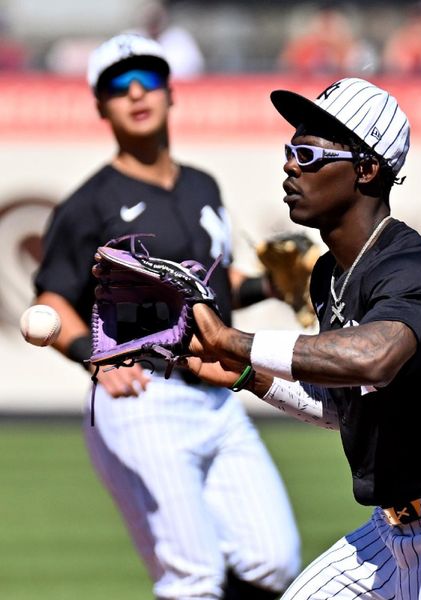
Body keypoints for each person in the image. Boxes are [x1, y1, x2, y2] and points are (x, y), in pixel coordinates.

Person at [183, 77, 421, 600]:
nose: (290, 165)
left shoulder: (409, 266)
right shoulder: (330, 274)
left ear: (366, 169)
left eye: (308, 153)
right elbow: (342, 402)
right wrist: (252, 377)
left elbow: (374, 359)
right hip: (393, 533)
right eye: (289, 149)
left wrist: (238, 341)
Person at [32, 33, 300, 600]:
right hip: (143, 398)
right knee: (194, 577)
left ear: (171, 93)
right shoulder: (88, 204)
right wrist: (92, 359)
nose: (136, 92)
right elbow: (53, 301)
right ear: (99, 105)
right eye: (117, 84)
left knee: (272, 562)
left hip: (216, 394)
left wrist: (268, 284)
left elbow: (207, 282)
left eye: (149, 78)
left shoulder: (203, 185)